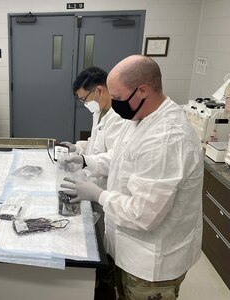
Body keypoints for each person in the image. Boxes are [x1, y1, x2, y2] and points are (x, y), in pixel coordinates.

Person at [61, 55, 203, 299]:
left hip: (152, 264)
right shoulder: (141, 117)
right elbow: (119, 155)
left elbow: (143, 213)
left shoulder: (167, 138)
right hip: (130, 248)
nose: (114, 105)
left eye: (117, 98)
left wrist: (99, 194)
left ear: (143, 90)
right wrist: (86, 159)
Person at [61, 67, 125, 189]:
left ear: (99, 91)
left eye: (84, 99)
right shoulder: (99, 112)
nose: (85, 104)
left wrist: (85, 161)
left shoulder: (120, 117)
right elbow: (96, 143)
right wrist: (77, 147)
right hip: (92, 179)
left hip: (105, 186)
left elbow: (116, 158)